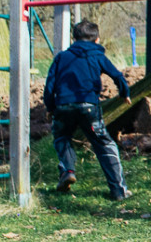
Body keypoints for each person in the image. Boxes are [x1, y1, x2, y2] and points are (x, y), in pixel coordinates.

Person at [43, 20, 132, 200]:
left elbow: (49, 85)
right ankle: (118, 190)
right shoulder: (97, 56)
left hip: (63, 106)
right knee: (104, 144)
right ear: (97, 39)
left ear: (74, 38)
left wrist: (50, 107)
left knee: (61, 137)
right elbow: (117, 75)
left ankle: (68, 170)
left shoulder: (61, 57)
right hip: (88, 107)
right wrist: (124, 93)